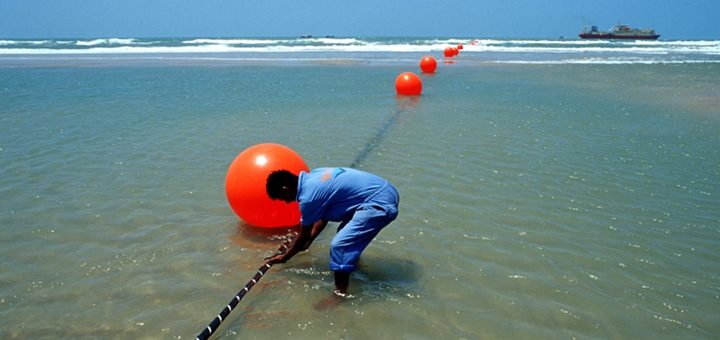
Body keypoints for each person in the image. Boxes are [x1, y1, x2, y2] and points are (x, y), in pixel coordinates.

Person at [264, 167, 399, 297]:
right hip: (385, 190)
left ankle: (340, 294)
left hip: (379, 203)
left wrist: (285, 257)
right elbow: (322, 217)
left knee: (340, 245)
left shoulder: (308, 198)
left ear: (285, 189)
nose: (287, 202)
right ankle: (353, 268)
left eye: (282, 198)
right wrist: (308, 242)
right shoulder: (314, 175)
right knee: (345, 234)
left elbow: (303, 236)